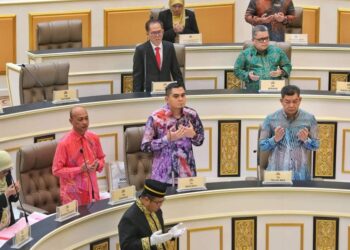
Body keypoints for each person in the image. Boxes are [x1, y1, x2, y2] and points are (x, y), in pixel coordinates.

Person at [141, 82, 204, 184]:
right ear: (166, 99)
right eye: (176, 96)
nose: (180, 99)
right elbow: (145, 146)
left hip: (187, 175)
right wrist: (167, 139)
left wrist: (193, 135)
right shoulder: (156, 117)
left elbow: (200, 141)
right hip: (162, 176)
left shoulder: (192, 115)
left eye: (183, 95)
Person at [259, 85, 320, 180]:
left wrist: (306, 140)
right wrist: (275, 139)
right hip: (277, 174)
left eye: (295, 101)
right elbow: (262, 146)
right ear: (281, 101)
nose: (291, 105)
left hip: (300, 175)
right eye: (287, 102)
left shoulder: (310, 119)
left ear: (300, 100)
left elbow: (316, 145)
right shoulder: (270, 119)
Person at [53, 106, 105, 206]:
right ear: (71, 121)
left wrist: (98, 164)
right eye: (80, 119)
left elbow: (101, 158)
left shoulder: (94, 138)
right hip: (73, 196)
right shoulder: (64, 144)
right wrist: (79, 169)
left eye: (86, 118)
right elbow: (56, 170)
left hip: (93, 192)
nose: (85, 122)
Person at [118, 179, 186, 250]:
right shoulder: (129, 218)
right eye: (158, 202)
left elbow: (159, 236)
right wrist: (150, 241)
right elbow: (126, 247)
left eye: (162, 201)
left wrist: (170, 234)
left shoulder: (157, 211)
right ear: (146, 199)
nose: (160, 205)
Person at [233, 25, 292, 91]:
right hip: (253, 91)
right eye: (261, 39)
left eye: (267, 38)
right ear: (253, 40)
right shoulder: (245, 54)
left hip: (274, 90)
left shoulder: (278, 52)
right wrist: (247, 75)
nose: (265, 42)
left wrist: (281, 72)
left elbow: (288, 66)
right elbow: (237, 70)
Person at [133, 19, 184, 92]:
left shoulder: (169, 47)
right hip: (148, 92)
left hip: (167, 91)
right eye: (153, 33)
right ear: (147, 33)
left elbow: (176, 72)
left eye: (159, 32)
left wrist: (182, 91)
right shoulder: (141, 50)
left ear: (163, 31)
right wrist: (137, 96)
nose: (157, 35)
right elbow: (137, 77)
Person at [0, 150, 20, 230]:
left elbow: (12, 199)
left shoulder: (7, 175)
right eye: (4, 171)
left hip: (9, 224)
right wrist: (5, 195)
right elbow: (6, 196)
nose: (7, 174)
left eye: (8, 170)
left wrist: (15, 192)